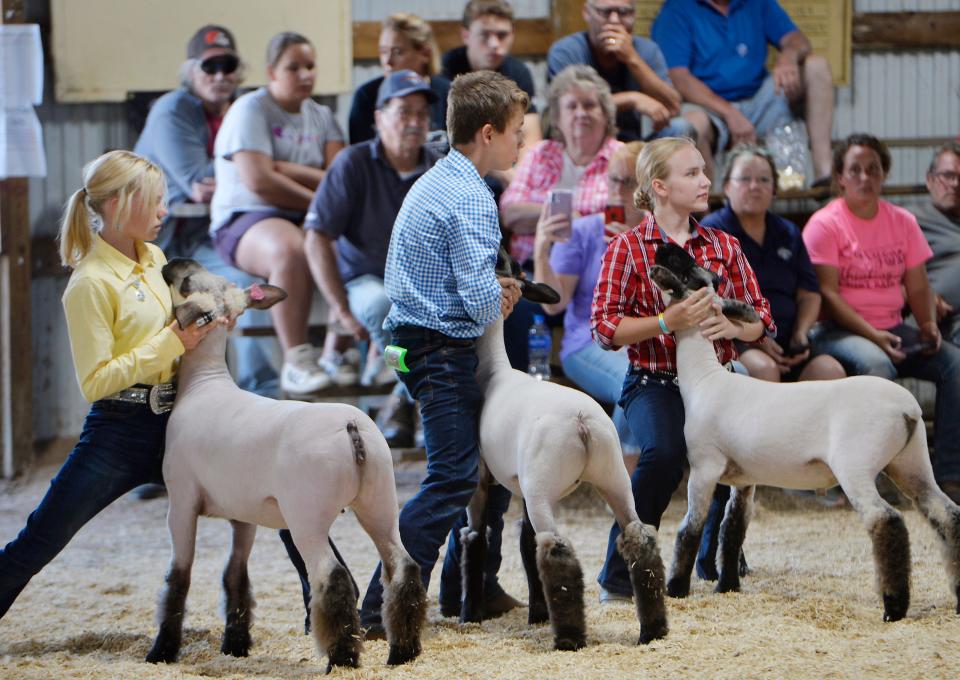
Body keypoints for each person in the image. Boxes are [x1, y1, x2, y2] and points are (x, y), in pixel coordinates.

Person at [0, 150, 218, 621]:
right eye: (156, 202)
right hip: (118, 431)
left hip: (180, 420)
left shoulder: (155, 258)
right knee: (41, 537)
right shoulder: (89, 284)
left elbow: (177, 334)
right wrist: (172, 342)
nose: (165, 211)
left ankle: (327, 610)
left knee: (270, 487)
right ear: (119, 205)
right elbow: (96, 381)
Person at [358, 71, 528, 637]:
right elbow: (480, 301)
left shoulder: (439, 179)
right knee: (454, 474)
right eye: (516, 132)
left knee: (481, 466)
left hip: (414, 340)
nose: (521, 141)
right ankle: (382, 604)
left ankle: (467, 587)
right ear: (487, 133)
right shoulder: (472, 197)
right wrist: (501, 296)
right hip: (439, 348)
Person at [591, 137, 775, 601]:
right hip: (654, 382)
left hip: (720, 382)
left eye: (703, 171)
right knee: (663, 455)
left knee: (737, 458)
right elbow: (604, 327)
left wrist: (733, 328)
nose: (705, 181)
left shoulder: (723, 246)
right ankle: (620, 575)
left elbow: (762, 319)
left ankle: (716, 560)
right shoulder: (628, 250)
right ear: (660, 186)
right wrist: (663, 322)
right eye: (691, 173)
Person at [803, 133, 960, 504]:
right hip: (837, 330)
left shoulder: (902, 221)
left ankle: (949, 474)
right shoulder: (825, 223)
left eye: (873, 169)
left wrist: (927, 324)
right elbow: (828, 293)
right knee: (879, 370)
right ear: (840, 177)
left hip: (891, 327)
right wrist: (874, 335)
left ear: (884, 174)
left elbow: (918, 286)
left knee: (954, 364)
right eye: (854, 170)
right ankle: (861, 478)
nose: (864, 177)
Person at [134, 24, 278, 401]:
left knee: (252, 289)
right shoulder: (173, 109)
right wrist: (258, 169)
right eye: (209, 67)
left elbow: (264, 169)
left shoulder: (244, 107)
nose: (219, 76)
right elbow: (201, 182)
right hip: (158, 247)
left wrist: (263, 170)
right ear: (191, 72)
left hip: (208, 236)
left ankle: (262, 395)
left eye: (228, 66)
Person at [303, 70, 445, 446]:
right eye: (403, 112)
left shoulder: (438, 167)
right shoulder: (353, 163)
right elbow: (316, 237)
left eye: (421, 113)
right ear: (379, 117)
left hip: (424, 286)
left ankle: (398, 404)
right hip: (366, 283)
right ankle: (419, 407)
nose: (414, 122)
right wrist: (343, 311)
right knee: (387, 307)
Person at [210, 31, 345, 396]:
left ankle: (340, 351)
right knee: (291, 249)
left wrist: (285, 168)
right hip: (247, 217)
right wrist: (313, 197)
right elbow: (260, 181)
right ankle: (296, 361)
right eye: (293, 67)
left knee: (353, 246)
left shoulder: (323, 116)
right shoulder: (250, 110)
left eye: (311, 66)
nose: (305, 75)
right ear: (271, 71)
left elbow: (337, 179)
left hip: (305, 217)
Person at [499, 64, 621, 370]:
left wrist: (579, 226)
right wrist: (563, 215)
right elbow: (511, 210)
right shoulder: (540, 154)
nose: (581, 113)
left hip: (596, 275)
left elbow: (632, 213)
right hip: (534, 269)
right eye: (572, 106)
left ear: (606, 114)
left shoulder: (622, 158)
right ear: (557, 116)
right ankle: (523, 396)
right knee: (517, 309)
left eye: (590, 105)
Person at [532, 141, 645, 463]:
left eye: (629, 181)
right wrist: (542, 250)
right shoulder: (585, 231)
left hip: (646, 338)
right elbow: (554, 303)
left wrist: (635, 257)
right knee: (636, 378)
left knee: (735, 370)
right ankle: (624, 473)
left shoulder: (660, 235)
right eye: (613, 180)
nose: (618, 190)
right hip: (589, 341)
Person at [702, 144, 845, 383]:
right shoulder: (712, 231)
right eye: (745, 179)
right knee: (765, 369)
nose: (754, 186)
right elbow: (711, 299)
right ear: (727, 186)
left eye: (763, 179)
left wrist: (801, 333)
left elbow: (809, 293)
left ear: (774, 189)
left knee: (830, 371)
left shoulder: (787, 232)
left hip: (789, 341)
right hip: (735, 341)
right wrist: (754, 336)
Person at [651, 0, 834, 182]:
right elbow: (679, 78)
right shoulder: (676, 10)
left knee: (816, 66)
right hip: (709, 107)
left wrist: (789, 55)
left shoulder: (757, 3)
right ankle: (705, 204)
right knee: (690, 124)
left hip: (759, 100)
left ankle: (825, 177)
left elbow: (796, 39)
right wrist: (730, 113)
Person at [547, 1, 689, 143]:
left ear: (634, 15)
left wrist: (632, 58)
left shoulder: (647, 50)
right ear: (587, 13)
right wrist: (632, 99)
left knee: (680, 128)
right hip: (584, 142)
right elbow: (567, 108)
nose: (614, 20)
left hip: (634, 144)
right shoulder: (566, 52)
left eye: (623, 12)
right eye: (605, 12)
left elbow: (673, 105)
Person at [441, 0, 542, 181]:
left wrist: (520, 177)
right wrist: (503, 174)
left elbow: (530, 131)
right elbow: (447, 141)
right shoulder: (445, 71)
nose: (494, 44)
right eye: (485, 35)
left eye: (502, 35)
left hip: (506, 165)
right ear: (466, 35)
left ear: (513, 34)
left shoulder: (518, 73)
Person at [349, 13, 451, 146]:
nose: (387, 62)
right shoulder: (366, 96)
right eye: (383, 52)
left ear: (425, 54)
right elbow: (360, 158)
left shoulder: (450, 94)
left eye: (397, 52)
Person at [912, 142, 960, 344]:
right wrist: (921, 296)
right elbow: (883, 274)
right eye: (948, 176)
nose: (956, 184)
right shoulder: (910, 220)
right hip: (950, 320)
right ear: (929, 179)